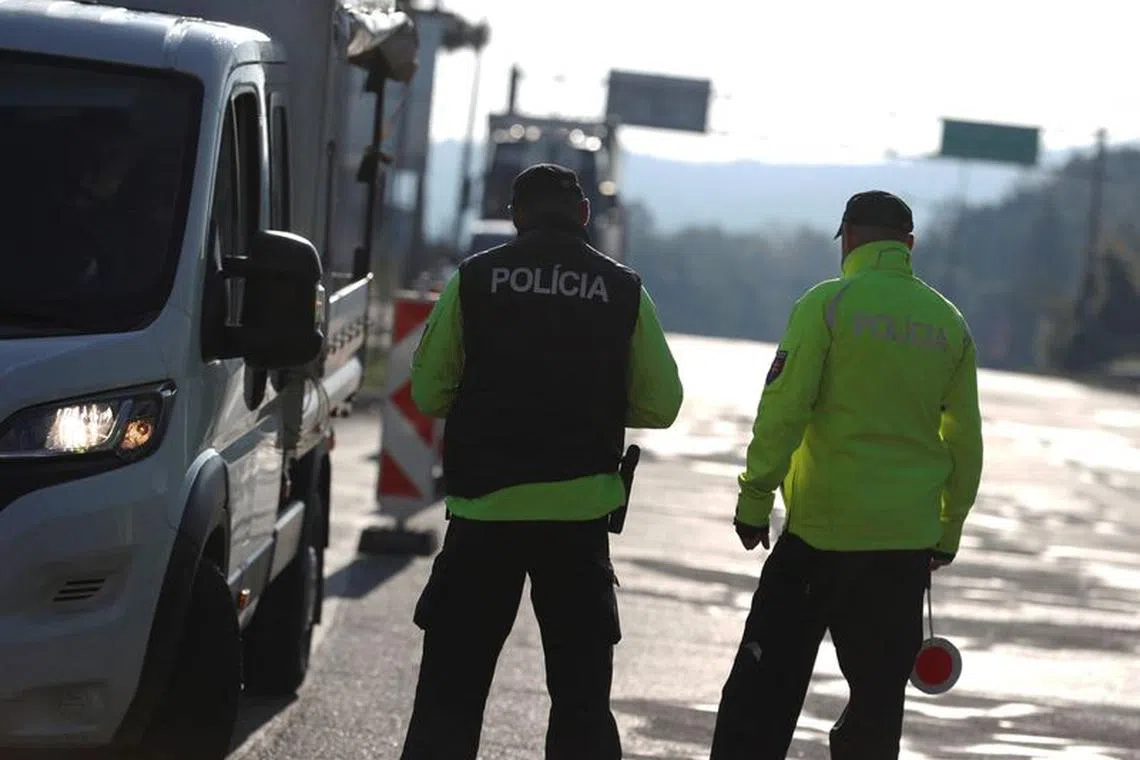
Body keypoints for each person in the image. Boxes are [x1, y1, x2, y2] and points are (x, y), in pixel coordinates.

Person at [399, 163, 684, 760]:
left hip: (484, 514)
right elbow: (662, 405)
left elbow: (427, 393)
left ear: (515, 216)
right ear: (584, 215)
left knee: (449, 698)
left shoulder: (476, 278)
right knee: (581, 703)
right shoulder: (622, 286)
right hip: (578, 523)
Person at [709, 190, 984, 760]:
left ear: (850, 238)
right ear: (908, 245)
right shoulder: (948, 323)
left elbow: (785, 410)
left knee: (760, 700)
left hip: (819, 540)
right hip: (902, 549)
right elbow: (964, 441)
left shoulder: (829, 304)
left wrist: (755, 498)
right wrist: (947, 530)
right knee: (877, 710)